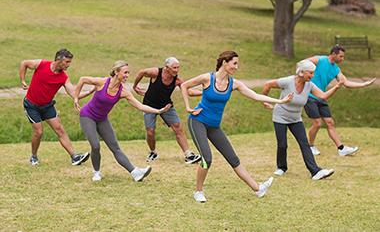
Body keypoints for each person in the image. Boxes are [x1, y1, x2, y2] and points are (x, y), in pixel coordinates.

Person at [181, 51, 293, 202]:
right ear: (224, 63)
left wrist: (280, 101)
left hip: (214, 126)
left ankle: (258, 189)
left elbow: (255, 95)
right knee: (207, 158)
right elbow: (184, 85)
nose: (236, 67)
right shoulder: (207, 78)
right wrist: (188, 107)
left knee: (233, 159)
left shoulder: (234, 84)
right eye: (234, 63)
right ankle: (198, 192)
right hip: (198, 121)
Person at [74, 60, 170, 182]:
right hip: (87, 116)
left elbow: (140, 106)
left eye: (128, 73)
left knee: (115, 148)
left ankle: (135, 173)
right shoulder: (102, 82)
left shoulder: (123, 92)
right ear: (116, 72)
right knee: (95, 145)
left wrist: (158, 111)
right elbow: (82, 79)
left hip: (102, 119)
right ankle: (96, 172)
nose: (127, 75)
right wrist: (76, 98)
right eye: (125, 72)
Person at [262, 60, 341, 179]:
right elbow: (268, 84)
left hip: (295, 118)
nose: (312, 75)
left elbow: (323, 96)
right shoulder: (288, 81)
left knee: (304, 144)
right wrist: (265, 101)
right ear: (301, 73)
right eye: (310, 73)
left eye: (313, 73)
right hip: (280, 116)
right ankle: (281, 167)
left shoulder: (310, 85)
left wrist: (336, 87)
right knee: (282, 144)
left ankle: (315, 171)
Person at [19, 49, 90, 166]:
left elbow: (73, 94)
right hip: (31, 105)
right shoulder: (42, 64)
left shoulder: (63, 77)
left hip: (47, 106)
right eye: (67, 62)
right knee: (38, 132)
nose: (69, 65)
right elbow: (24, 63)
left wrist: (91, 91)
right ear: (59, 60)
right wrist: (22, 80)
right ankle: (34, 157)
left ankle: (74, 157)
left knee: (60, 129)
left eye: (69, 62)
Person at [303, 45, 376, 156]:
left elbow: (345, 83)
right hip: (310, 96)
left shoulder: (336, 69)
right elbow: (301, 64)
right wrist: (300, 79)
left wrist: (363, 84)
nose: (342, 59)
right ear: (334, 54)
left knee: (330, 123)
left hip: (322, 96)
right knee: (317, 123)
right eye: (341, 56)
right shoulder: (320, 59)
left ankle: (341, 149)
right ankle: (310, 147)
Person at [133, 57, 202, 164]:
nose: (176, 70)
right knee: (150, 131)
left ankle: (188, 155)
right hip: (149, 106)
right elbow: (142, 72)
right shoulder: (156, 72)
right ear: (166, 68)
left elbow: (189, 92)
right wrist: (135, 86)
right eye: (174, 68)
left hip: (166, 106)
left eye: (178, 67)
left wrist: (205, 92)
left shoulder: (177, 79)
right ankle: (153, 152)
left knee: (178, 128)